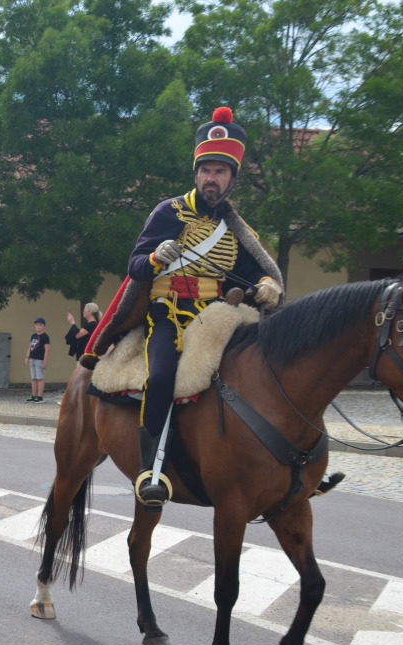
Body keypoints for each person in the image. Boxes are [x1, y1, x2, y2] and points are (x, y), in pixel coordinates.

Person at [126, 107, 284, 510]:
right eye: (206, 170)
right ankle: (151, 470)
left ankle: (281, 463)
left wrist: (268, 284)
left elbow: (253, 273)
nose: (212, 178)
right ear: (196, 174)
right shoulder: (168, 212)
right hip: (168, 312)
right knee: (161, 375)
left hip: (215, 316)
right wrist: (157, 256)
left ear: (232, 179)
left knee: (265, 366)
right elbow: (135, 266)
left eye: (220, 172)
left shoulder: (237, 230)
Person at [25, 317, 50, 402]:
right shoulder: (33, 336)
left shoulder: (45, 337)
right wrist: (27, 357)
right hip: (32, 358)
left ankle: (40, 396)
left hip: (40, 359)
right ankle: (34, 395)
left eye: (40, 325)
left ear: (44, 326)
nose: (38, 326)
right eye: (36, 325)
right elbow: (30, 347)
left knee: (40, 378)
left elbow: (47, 349)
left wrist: (45, 362)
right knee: (34, 378)